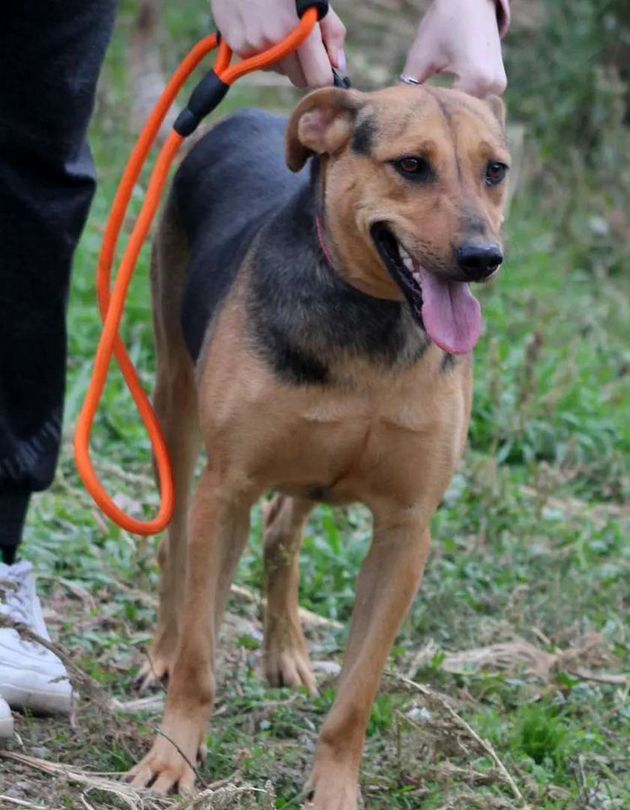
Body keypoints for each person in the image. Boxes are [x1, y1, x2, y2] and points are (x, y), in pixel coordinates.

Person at [0, 0, 509, 738]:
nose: (477, 236)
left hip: (399, 358)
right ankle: (172, 624)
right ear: (320, 136)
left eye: (491, 174)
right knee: (197, 430)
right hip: (271, 305)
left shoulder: (444, 310)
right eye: (412, 170)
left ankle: (289, 597)